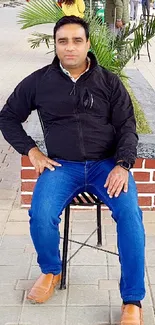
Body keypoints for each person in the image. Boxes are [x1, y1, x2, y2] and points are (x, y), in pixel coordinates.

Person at [0, 15, 145, 325]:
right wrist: (32, 151)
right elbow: (8, 117)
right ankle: (52, 270)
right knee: (41, 213)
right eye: (63, 41)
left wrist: (123, 165)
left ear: (88, 44)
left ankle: (132, 299)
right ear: (55, 44)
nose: (70, 47)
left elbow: (127, 127)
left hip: (106, 166)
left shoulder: (108, 81)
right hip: (62, 167)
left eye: (77, 40)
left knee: (131, 215)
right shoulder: (39, 82)